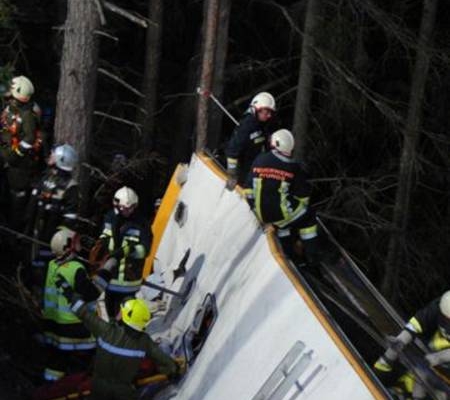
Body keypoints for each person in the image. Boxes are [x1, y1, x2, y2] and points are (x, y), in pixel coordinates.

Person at [56, 274, 180, 400]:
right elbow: (164, 361)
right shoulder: (144, 342)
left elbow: (84, 313)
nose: (119, 312)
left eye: (122, 311)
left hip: (98, 391)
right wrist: (173, 370)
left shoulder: (106, 330)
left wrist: (69, 294)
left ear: (126, 317)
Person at [244, 129, 320, 267]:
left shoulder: (259, 160)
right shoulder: (292, 167)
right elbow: (303, 195)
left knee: (283, 224)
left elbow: (248, 189)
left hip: (262, 214)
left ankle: (290, 255)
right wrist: (302, 208)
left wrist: (255, 208)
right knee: (308, 219)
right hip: (282, 212)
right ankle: (312, 258)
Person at [42, 228, 100, 382]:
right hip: (73, 327)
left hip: (52, 324)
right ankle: (81, 383)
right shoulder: (76, 269)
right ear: (67, 247)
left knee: (56, 362)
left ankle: (49, 386)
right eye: (75, 242)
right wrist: (103, 275)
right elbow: (92, 293)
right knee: (96, 349)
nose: (78, 245)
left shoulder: (51, 265)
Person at [374, 291, 450, 399]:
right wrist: (399, 343)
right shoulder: (444, 303)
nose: (446, 321)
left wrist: (437, 358)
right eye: (445, 318)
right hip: (422, 364)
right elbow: (417, 324)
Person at [25, 144, 79, 293]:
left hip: (50, 240)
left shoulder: (70, 187)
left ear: (61, 160)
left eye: (54, 154)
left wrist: (56, 240)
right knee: (29, 266)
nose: (50, 156)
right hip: (33, 233)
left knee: (42, 271)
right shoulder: (45, 177)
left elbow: (69, 221)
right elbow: (33, 204)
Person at [97, 186, 151, 319]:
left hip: (129, 284)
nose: (126, 211)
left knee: (125, 319)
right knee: (111, 319)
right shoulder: (110, 218)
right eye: (123, 208)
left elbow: (145, 250)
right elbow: (105, 235)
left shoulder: (141, 223)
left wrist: (129, 250)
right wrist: (101, 244)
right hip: (110, 282)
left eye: (129, 208)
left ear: (135, 206)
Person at [0, 76, 44, 231]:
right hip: (6, 156)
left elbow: (30, 138)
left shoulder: (27, 115)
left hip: (19, 167)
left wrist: (16, 154)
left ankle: (14, 232)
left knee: (15, 200)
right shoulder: (11, 108)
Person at [225, 92, 276, 188]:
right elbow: (232, 150)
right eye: (266, 112)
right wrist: (232, 174)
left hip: (256, 171)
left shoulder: (263, 125)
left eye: (270, 113)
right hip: (244, 174)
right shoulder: (247, 126)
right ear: (257, 109)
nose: (269, 115)